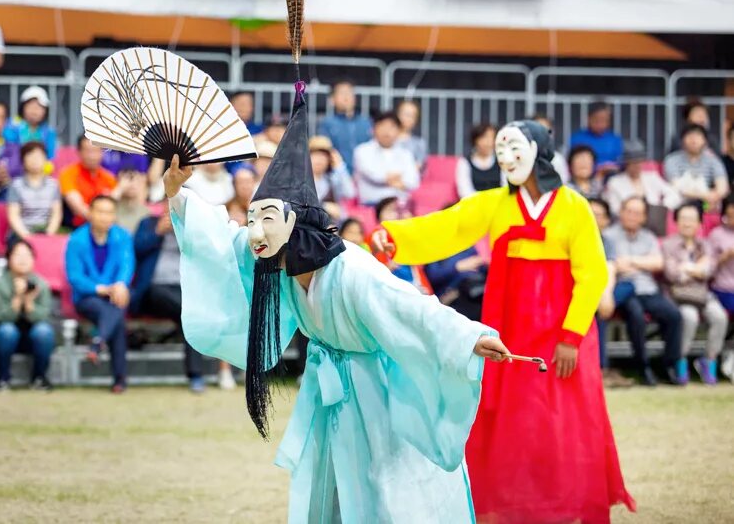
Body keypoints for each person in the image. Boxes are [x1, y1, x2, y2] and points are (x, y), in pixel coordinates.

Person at [162, 80, 510, 523]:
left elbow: (409, 305)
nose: (254, 231)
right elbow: (221, 241)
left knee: (382, 484)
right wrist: (177, 193)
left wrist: (470, 336)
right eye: (252, 219)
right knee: (327, 481)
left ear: (295, 223)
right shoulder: (277, 263)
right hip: (328, 390)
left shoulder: (352, 271)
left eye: (266, 219)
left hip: (373, 392)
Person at [374, 119, 635, 522]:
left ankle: (565, 500)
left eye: (516, 149)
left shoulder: (573, 206)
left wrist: (570, 335)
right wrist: (392, 237)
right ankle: (514, 501)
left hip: (563, 332)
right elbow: (449, 226)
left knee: (565, 418)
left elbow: (593, 273)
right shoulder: (495, 202)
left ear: (540, 150)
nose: (507, 159)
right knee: (514, 419)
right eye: (501, 153)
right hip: (511, 328)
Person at [131, 198, 207, 393]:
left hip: (184, 290)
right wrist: (157, 232)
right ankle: (196, 376)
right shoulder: (148, 223)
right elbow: (136, 250)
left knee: (190, 317)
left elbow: (206, 255)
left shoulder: (194, 228)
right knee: (192, 314)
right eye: (170, 204)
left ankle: (196, 375)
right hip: (154, 289)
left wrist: (187, 233)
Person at [606, 196, 683, 386]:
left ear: (644, 217)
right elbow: (615, 265)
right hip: (625, 290)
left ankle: (668, 365)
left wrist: (631, 262)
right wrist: (643, 262)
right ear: (621, 213)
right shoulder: (609, 235)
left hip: (648, 289)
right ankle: (643, 367)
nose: (632, 216)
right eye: (629, 211)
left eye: (637, 213)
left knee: (674, 315)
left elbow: (658, 263)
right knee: (637, 317)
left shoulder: (648, 237)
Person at [65, 195, 134, 393]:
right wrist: (102, 289)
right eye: (100, 211)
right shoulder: (77, 240)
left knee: (117, 309)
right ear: (91, 213)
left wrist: (120, 284)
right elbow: (75, 277)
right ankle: (119, 379)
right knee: (115, 313)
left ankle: (98, 342)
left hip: (115, 295)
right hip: (88, 297)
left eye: (109, 212)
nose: (105, 217)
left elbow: (127, 265)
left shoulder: (122, 236)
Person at [663, 204, 728, 385]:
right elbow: (672, 274)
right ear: (676, 221)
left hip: (702, 294)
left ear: (699, 223)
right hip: (678, 296)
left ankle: (709, 360)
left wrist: (687, 267)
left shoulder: (705, 244)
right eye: (683, 218)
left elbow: (710, 270)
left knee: (720, 317)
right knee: (689, 317)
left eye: (692, 219)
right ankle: (680, 360)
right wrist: (698, 268)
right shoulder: (668, 244)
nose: (687, 223)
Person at [0, 240, 55, 391]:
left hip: (32, 338)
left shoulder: (41, 284)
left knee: (44, 331)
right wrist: (17, 298)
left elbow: (43, 316)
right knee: (7, 331)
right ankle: (2, 378)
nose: (23, 259)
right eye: (18, 255)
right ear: (9, 259)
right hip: (3, 339)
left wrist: (28, 303)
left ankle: (39, 378)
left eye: (27, 255)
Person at [588, 197, 635, 389]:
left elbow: (610, 267)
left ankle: (603, 369)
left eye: (599, 215)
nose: (594, 218)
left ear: (607, 220)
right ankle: (602, 369)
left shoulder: (607, 241)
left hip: (602, 290)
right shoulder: (575, 239)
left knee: (629, 287)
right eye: (590, 213)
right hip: (584, 290)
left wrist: (605, 295)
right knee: (597, 314)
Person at [353, 112, 420, 205]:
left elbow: (413, 182)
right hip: (372, 205)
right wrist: (397, 178)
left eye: (392, 127)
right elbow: (374, 176)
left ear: (399, 131)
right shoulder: (362, 151)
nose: (387, 131)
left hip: (400, 205)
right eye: (382, 125)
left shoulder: (406, 154)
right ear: (374, 129)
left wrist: (387, 178)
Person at [604, 140, 680, 217]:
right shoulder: (614, 182)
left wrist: (662, 207)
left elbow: (673, 193)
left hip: (654, 218)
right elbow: (614, 209)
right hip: (627, 220)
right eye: (634, 162)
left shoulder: (652, 177)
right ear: (626, 163)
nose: (638, 165)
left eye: (640, 161)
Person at [372, 197, 432, 294]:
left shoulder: (404, 238)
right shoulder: (374, 238)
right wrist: (387, 268)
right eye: (390, 210)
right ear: (379, 216)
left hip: (415, 289)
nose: (396, 214)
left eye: (397, 210)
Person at [663, 124, 729, 208]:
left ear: (705, 141)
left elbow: (722, 187)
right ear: (682, 140)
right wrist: (705, 195)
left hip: (707, 202)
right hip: (680, 201)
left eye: (698, 136)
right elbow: (677, 186)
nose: (694, 140)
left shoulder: (713, 160)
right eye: (690, 136)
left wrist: (713, 195)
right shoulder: (671, 160)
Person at [59, 135, 118, 227]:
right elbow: (79, 209)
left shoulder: (109, 177)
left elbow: (112, 207)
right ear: (79, 152)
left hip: (106, 227)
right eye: (87, 151)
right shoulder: (68, 174)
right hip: (76, 227)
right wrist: (103, 219)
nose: (92, 156)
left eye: (95, 151)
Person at [7, 142, 62, 239]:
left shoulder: (53, 185)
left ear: (45, 159)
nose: (34, 160)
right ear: (23, 160)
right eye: (30, 156)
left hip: (46, 231)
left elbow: (56, 214)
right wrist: (28, 237)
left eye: (38, 156)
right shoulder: (16, 185)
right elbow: (14, 216)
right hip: (22, 232)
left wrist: (48, 235)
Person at [423, 242, 488, 322]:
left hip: (477, 290)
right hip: (452, 297)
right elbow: (431, 276)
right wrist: (457, 267)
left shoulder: (468, 245)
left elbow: (481, 268)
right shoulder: (434, 249)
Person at [317, 79, 373, 170]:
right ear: (332, 99)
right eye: (342, 93)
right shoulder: (327, 123)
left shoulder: (366, 122)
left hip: (366, 175)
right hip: (338, 175)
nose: (346, 97)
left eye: (349, 92)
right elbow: (326, 150)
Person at [3, 86, 58, 159]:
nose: (34, 111)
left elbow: (51, 157)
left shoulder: (49, 131)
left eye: (39, 107)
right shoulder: (12, 126)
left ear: (45, 111)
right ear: (22, 108)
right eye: (30, 106)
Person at [309, 135, 355, 222]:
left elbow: (350, 193)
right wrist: (324, 206)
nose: (319, 160)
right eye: (315, 155)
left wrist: (339, 166)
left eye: (324, 156)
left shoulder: (331, 180)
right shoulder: (300, 181)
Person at [569, 100, 623, 170]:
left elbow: (620, 163)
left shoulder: (615, 139)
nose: (600, 124)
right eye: (596, 120)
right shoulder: (577, 139)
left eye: (604, 120)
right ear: (588, 118)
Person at [455, 123, 503, 198]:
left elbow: (506, 186)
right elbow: (464, 191)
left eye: (492, 138)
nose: (489, 142)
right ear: (475, 140)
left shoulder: (501, 161)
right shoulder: (465, 162)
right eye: (484, 137)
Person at [709, 194, 734, 315]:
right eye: (729, 216)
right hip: (724, 288)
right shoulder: (717, 234)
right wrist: (724, 257)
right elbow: (708, 267)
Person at [530, 113, 570, 182]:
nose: (542, 134)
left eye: (546, 130)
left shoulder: (558, 159)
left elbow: (563, 184)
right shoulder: (518, 156)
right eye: (537, 130)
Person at [114, 167, 150, 235]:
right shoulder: (112, 207)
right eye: (128, 179)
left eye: (136, 180)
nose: (132, 183)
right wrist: (119, 189)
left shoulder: (146, 212)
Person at [395, 99, 428, 169]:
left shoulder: (419, 143)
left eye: (411, 116)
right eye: (404, 114)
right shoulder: (386, 140)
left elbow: (418, 166)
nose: (406, 118)